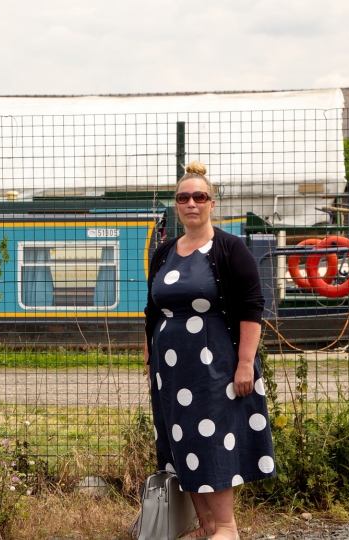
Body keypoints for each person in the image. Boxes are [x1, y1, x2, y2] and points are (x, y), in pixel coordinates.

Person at [144, 162, 275, 540]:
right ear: (176, 204)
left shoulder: (230, 249)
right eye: (183, 197)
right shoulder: (165, 251)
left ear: (211, 203)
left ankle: (227, 528)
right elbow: (153, 310)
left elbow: (252, 308)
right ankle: (206, 527)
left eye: (198, 196)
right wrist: (149, 357)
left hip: (215, 363)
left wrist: (245, 364)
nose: (190, 203)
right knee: (180, 440)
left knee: (212, 439)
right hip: (171, 370)